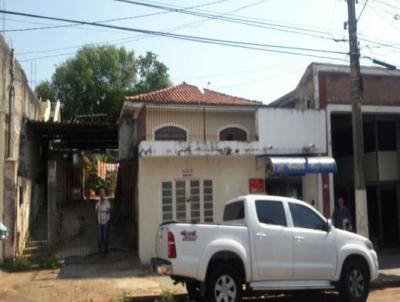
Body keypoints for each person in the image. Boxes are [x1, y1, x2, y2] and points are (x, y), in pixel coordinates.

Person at [95, 188, 111, 256]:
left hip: (106, 221)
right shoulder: (97, 203)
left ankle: (104, 252)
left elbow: (108, 210)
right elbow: (96, 212)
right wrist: (97, 210)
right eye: (100, 193)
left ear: (104, 194)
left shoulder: (107, 202)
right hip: (99, 221)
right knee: (99, 237)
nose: (101, 195)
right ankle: (100, 251)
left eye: (103, 193)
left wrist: (106, 210)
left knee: (105, 237)